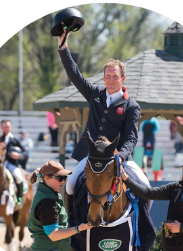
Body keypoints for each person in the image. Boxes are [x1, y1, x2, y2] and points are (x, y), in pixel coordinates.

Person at [57, 29, 150, 196]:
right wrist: (63, 48)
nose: (111, 80)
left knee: (145, 185)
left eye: (115, 76)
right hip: (91, 155)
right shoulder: (94, 94)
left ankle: (142, 223)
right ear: (103, 77)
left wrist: (120, 156)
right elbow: (74, 74)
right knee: (70, 185)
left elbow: (131, 138)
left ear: (123, 79)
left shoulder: (132, 106)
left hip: (117, 158)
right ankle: (72, 221)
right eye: (108, 76)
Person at [25, 161, 93, 251]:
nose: (63, 181)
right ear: (46, 178)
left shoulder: (49, 195)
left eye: (65, 177)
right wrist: (78, 229)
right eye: (60, 178)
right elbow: (53, 234)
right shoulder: (47, 202)